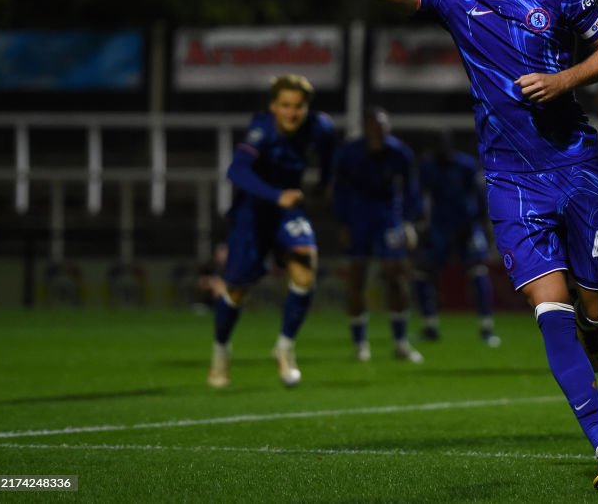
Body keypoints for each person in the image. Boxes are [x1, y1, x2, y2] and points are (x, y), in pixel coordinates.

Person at [356, 0, 598, 491]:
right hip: (510, 179)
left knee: (594, 308)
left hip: (576, 166)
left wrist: (565, 78)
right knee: (550, 308)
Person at [208, 74, 337, 389]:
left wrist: (322, 184)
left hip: (288, 211)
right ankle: (221, 351)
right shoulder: (261, 130)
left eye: (298, 106)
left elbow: (329, 157)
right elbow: (236, 170)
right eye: (285, 106)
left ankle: (284, 347)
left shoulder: (321, 127)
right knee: (237, 289)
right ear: (273, 107)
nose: (291, 113)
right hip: (252, 213)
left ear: (307, 107)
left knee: (306, 269)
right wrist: (276, 195)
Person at [334, 107, 424, 364]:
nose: (379, 132)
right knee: (357, 277)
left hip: (388, 216)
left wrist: (408, 222)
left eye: (382, 128)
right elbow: (339, 188)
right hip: (358, 217)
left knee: (395, 276)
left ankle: (400, 342)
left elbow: (411, 189)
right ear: (365, 128)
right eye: (374, 127)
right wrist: (343, 222)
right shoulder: (349, 153)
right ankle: (360, 344)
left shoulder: (399, 153)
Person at [415, 130, 500, 347]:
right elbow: (419, 197)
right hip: (439, 228)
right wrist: (421, 225)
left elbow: (480, 197)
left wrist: (482, 226)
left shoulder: (466, 165)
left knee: (478, 273)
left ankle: (486, 327)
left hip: (466, 227)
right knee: (425, 274)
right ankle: (430, 325)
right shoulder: (428, 167)